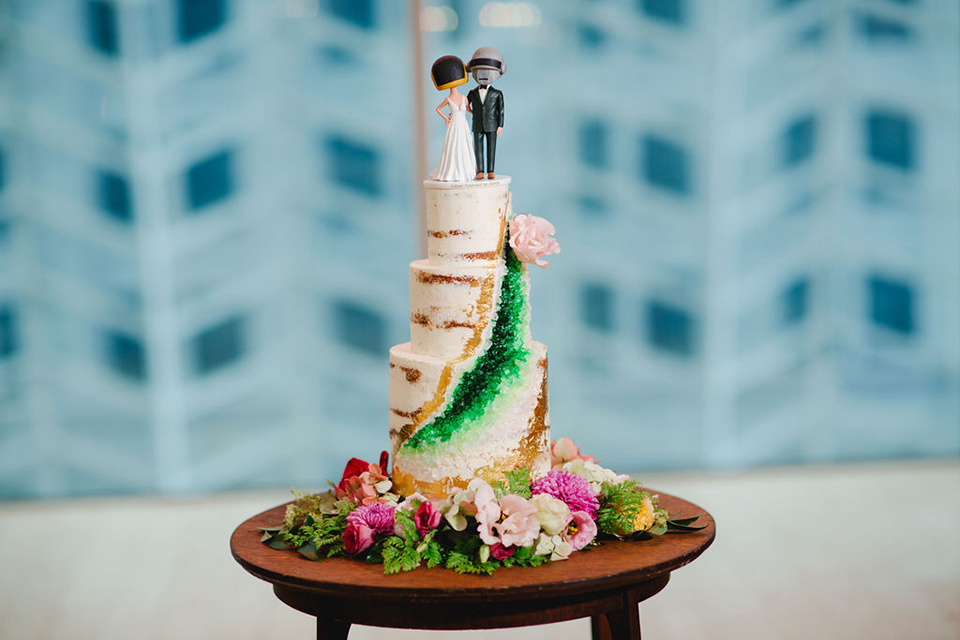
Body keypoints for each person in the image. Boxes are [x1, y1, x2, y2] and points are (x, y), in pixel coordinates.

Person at [428, 56, 476, 182]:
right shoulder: (449, 99)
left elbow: (470, 110)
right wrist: (446, 118)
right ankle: (454, 170)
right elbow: (438, 109)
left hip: (462, 124)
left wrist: (478, 113)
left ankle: (465, 169)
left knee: (463, 143)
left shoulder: (464, 98)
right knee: (453, 144)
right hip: (454, 123)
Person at [466, 47, 506, 180]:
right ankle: (480, 171)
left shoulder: (497, 94)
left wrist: (500, 125)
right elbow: (465, 103)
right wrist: (467, 111)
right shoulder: (472, 93)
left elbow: (501, 110)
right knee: (478, 149)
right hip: (477, 124)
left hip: (491, 124)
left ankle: (490, 170)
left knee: (491, 148)